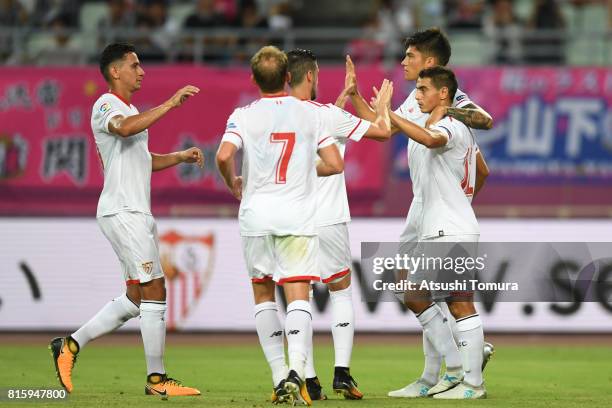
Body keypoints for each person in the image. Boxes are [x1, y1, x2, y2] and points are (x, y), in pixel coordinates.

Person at [345, 27, 494, 398]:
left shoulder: (451, 102)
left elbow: (485, 123)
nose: (403, 62)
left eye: (409, 55)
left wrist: (457, 200)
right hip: (423, 207)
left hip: (443, 214)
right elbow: (383, 128)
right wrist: (356, 98)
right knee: (409, 286)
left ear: (429, 61)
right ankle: (442, 371)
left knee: (444, 295)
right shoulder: (418, 99)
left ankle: (459, 371)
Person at [49, 42, 203, 397]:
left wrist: (178, 157)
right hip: (123, 210)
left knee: (136, 296)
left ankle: (69, 346)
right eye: (135, 65)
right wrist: (169, 103)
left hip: (135, 211)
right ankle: (157, 380)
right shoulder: (106, 104)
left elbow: (141, 159)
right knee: (156, 288)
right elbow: (122, 129)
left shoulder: (129, 109)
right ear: (115, 71)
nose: (142, 71)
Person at [285, 48, 393, 401]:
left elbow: (312, 130)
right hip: (329, 217)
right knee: (341, 291)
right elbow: (381, 131)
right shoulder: (329, 115)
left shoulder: (274, 116)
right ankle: (342, 374)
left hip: (290, 219)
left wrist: (343, 99)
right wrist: (367, 100)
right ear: (312, 76)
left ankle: (308, 379)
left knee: (297, 298)